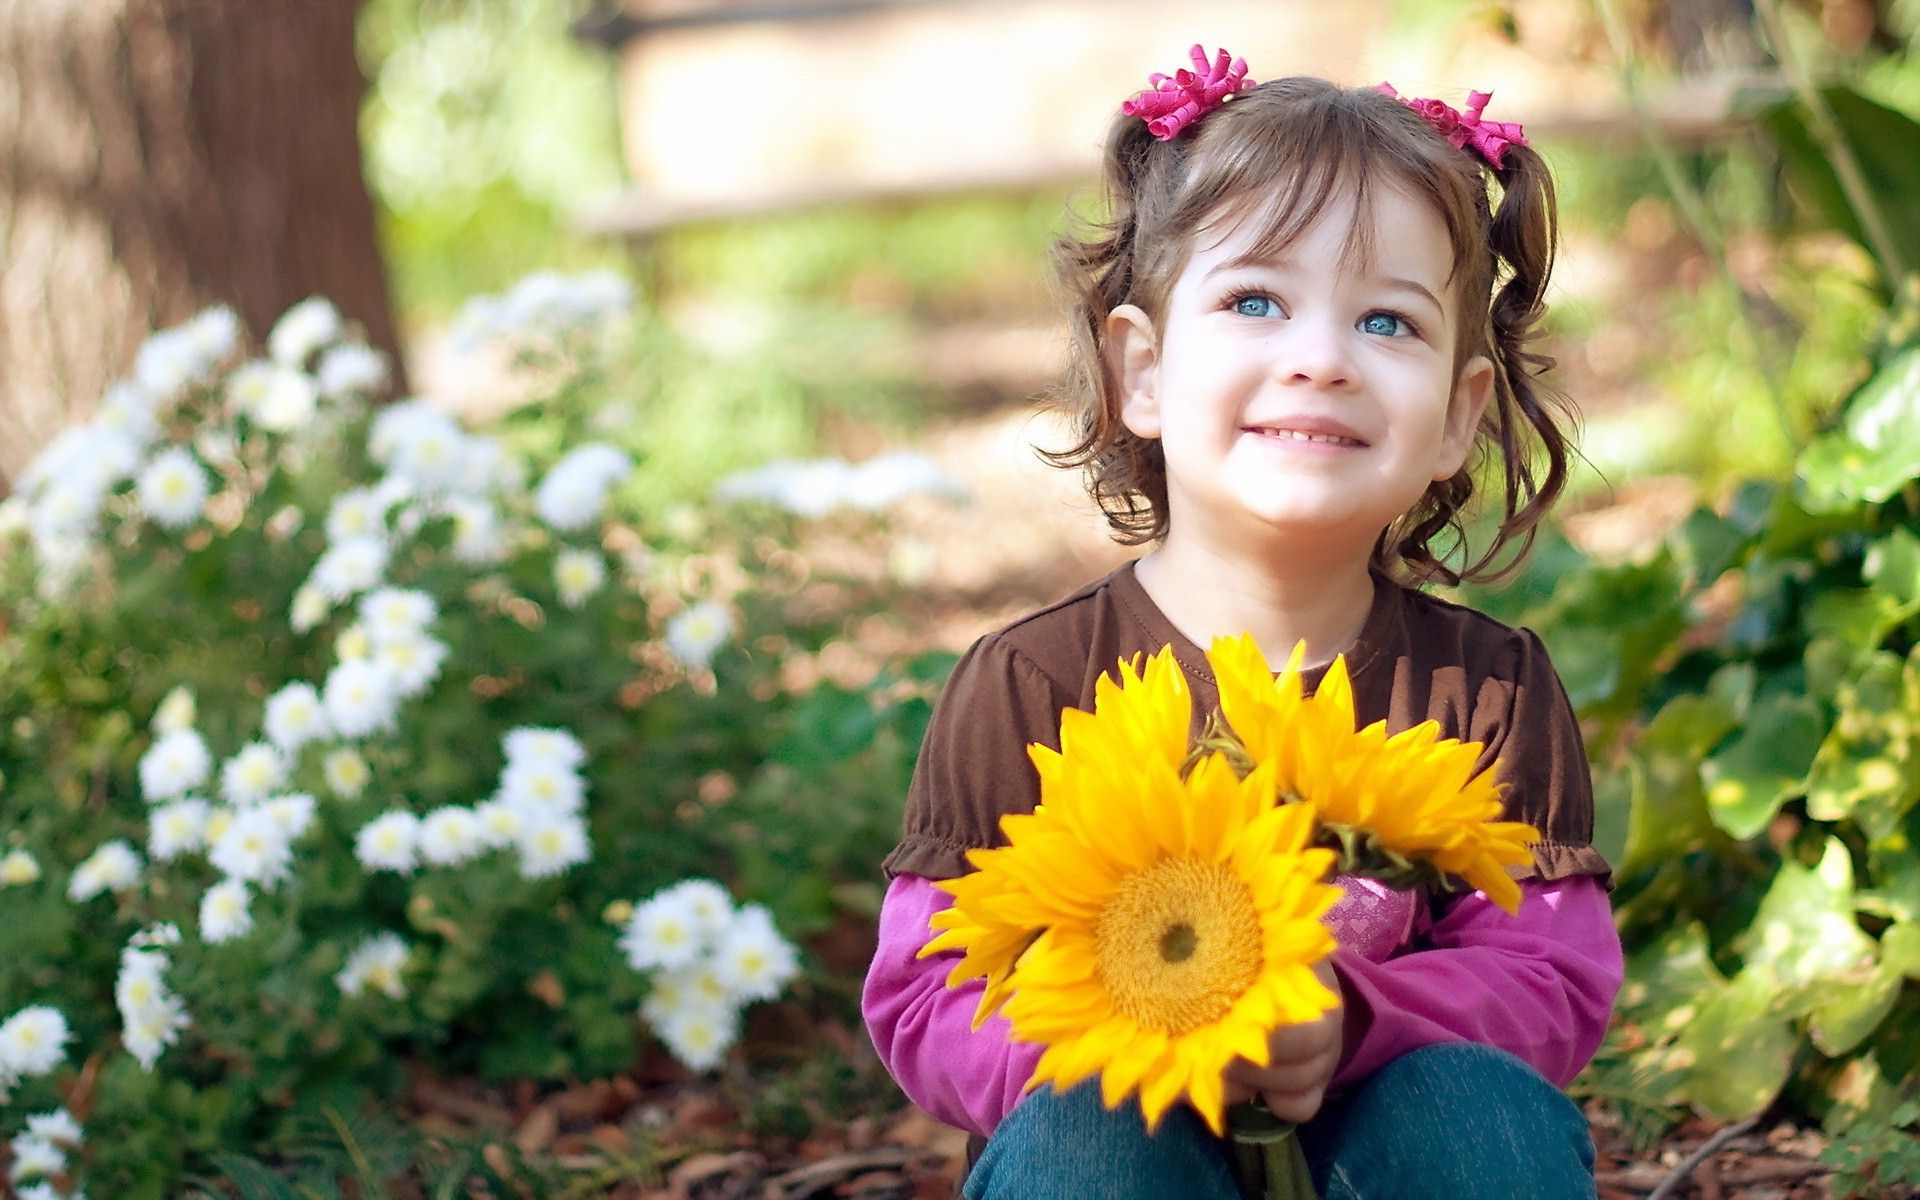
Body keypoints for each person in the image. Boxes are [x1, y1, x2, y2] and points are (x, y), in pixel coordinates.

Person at [862, 52, 1623, 1200]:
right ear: (1146, 371)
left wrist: (1352, 1017)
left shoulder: (1489, 690)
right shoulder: (1027, 687)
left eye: (1387, 321)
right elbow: (925, 995)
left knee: (1482, 1119)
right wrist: (1132, 1034)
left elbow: (1550, 975)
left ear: (1459, 417)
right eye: (1255, 301)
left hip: (1385, 1152)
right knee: (1087, 1137)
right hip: (1122, 1136)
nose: (1320, 358)